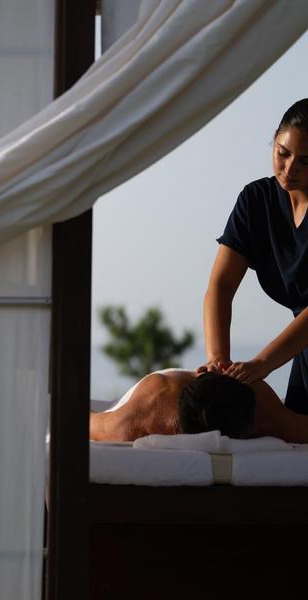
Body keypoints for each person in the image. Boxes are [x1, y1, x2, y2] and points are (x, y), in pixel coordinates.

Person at [202, 99, 308, 413]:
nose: (289, 168)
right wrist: (217, 360)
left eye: (305, 161)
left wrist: (262, 364)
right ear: (274, 141)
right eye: (283, 153)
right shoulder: (256, 201)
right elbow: (221, 286)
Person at [90, 370, 308, 443]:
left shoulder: (264, 410)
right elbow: (88, 420)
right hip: (163, 386)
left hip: (224, 384)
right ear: (176, 428)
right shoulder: (138, 418)